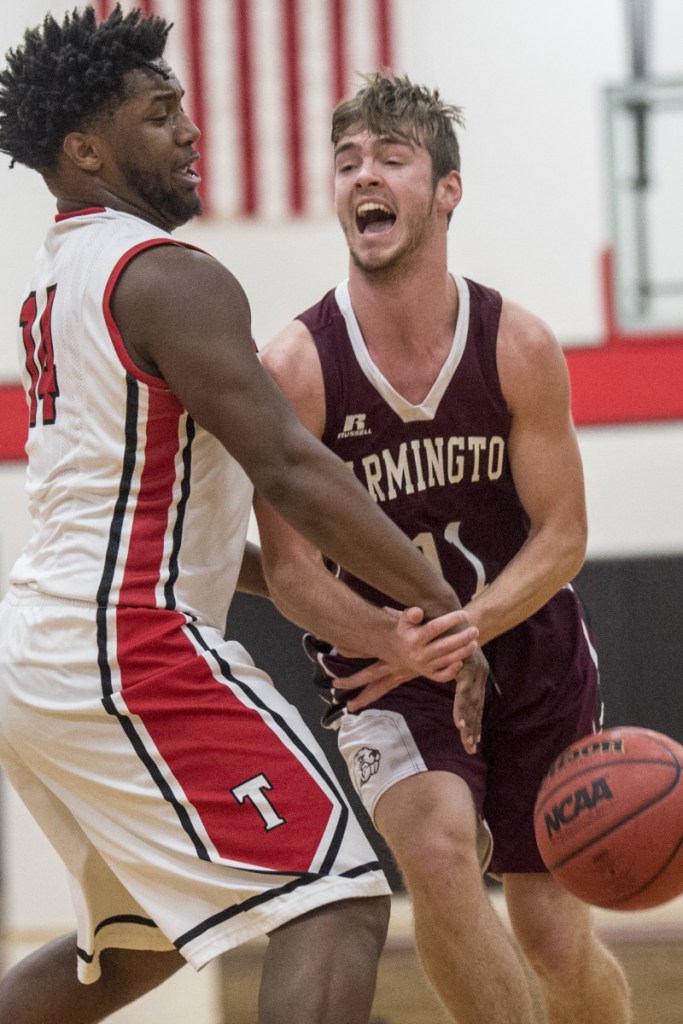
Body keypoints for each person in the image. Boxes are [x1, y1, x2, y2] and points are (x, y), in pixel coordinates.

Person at [0, 12, 487, 1024]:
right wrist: (438, 599)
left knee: (129, 950)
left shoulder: (58, 278)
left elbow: (191, 519)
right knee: (338, 893)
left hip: (50, 646)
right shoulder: (167, 277)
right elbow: (289, 465)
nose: (189, 131)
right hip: (126, 646)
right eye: (160, 114)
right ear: (86, 150)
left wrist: (359, 610)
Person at [254, 72, 634, 1023]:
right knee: (433, 852)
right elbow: (291, 572)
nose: (362, 177)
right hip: (386, 662)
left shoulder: (517, 343)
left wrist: (466, 627)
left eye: (390, 158)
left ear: (446, 190)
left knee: (552, 935)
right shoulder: (296, 369)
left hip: (525, 648)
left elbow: (564, 534)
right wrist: (394, 641)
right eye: (346, 162)